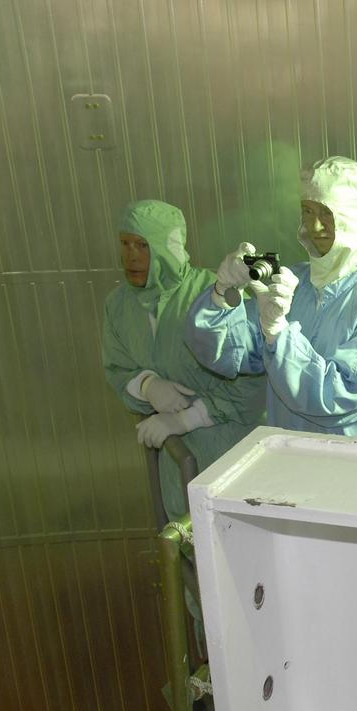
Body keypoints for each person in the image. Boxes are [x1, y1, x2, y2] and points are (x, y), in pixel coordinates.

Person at [185, 156, 357, 436]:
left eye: (327, 214)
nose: (315, 227)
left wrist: (278, 335)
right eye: (308, 212)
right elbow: (228, 356)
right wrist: (222, 294)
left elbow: (343, 396)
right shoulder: (295, 283)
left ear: (353, 217)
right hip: (292, 458)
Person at [103, 199, 264, 521]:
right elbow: (118, 366)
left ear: (165, 248)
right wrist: (146, 385)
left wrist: (189, 419)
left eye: (143, 245)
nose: (131, 256)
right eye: (125, 244)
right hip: (177, 470)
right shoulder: (120, 305)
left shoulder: (212, 295)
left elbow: (253, 383)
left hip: (230, 457)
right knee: (187, 549)